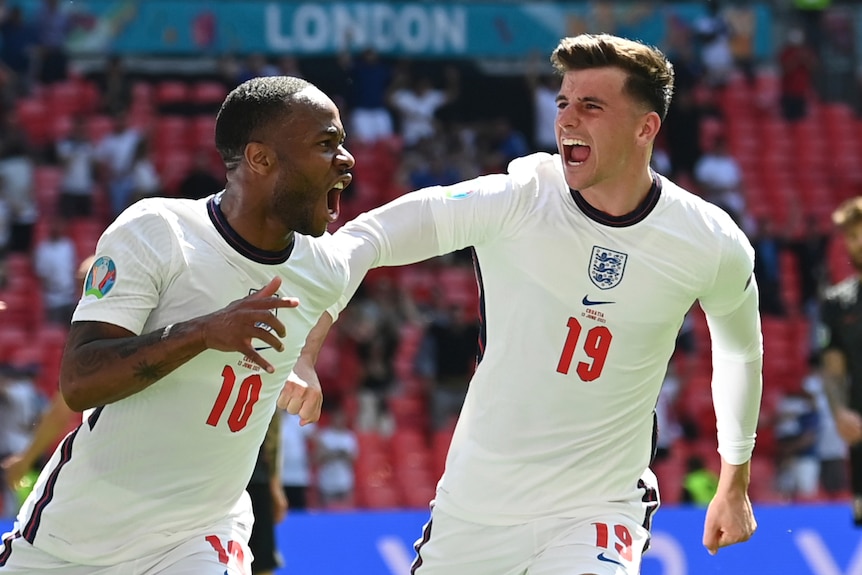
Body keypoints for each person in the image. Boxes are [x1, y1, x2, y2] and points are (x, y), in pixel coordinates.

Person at [294, 33, 764, 573]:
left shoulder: (709, 240)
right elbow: (367, 239)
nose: (567, 119)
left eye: (591, 106)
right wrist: (308, 348)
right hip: (476, 506)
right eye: (563, 102)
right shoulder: (519, 197)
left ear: (645, 127)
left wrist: (736, 478)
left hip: (598, 508)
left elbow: (739, 353)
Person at [0, 75, 355, 573]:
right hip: (78, 533)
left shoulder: (325, 271)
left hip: (201, 534)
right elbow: (80, 381)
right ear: (260, 158)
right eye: (326, 143)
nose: (347, 159)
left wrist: (306, 364)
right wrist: (203, 332)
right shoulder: (158, 230)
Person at [819, 196, 862, 525]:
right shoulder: (837, 303)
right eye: (850, 234)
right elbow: (833, 370)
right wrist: (840, 411)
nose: (857, 242)